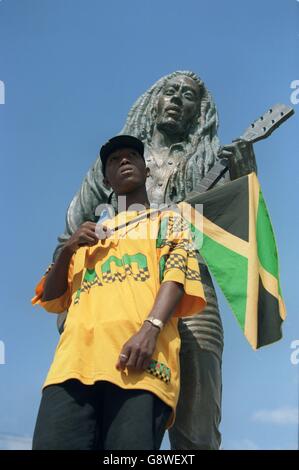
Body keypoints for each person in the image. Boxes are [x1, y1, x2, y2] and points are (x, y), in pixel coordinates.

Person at [51, 71, 257, 449]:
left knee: (197, 418)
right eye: (170, 92)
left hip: (191, 286)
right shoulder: (120, 158)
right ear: (153, 100)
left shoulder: (213, 159)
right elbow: (73, 226)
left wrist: (245, 173)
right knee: (114, 411)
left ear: (201, 111)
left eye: (189, 95)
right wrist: (68, 300)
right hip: (117, 285)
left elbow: (243, 231)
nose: (177, 99)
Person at [31, 135, 206, 450]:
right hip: (70, 370)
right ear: (105, 179)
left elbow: (176, 278)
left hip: (140, 365)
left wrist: (150, 329)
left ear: (146, 169)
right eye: (114, 160)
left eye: (131, 156)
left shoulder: (169, 221)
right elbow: (51, 297)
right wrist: (69, 249)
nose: (124, 161)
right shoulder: (87, 236)